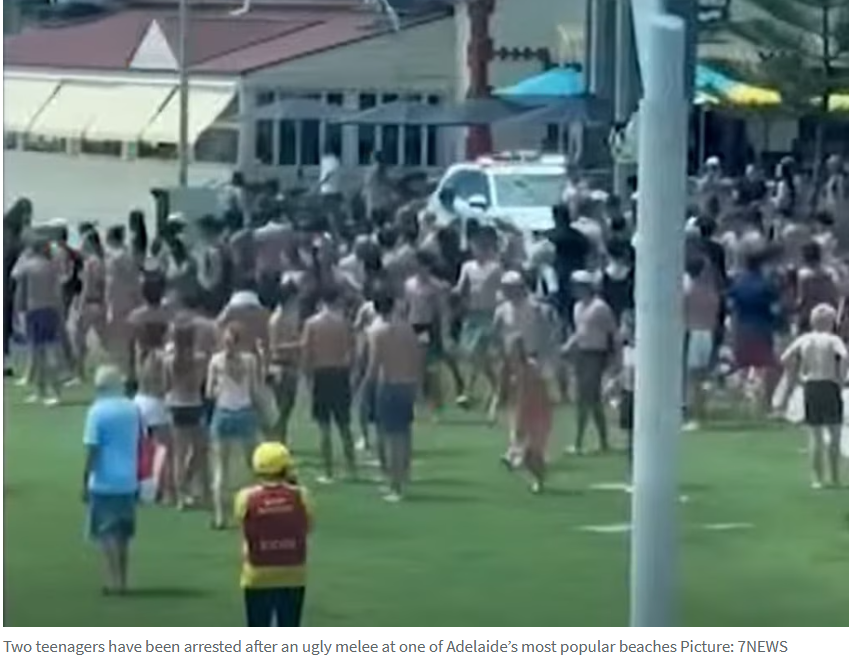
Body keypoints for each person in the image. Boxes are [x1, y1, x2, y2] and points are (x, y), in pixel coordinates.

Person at [235, 442, 312, 627]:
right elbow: (308, 526)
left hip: (256, 574)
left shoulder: (245, 496)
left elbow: (242, 525)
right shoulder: (302, 495)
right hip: (293, 573)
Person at [82, 365, 142, 595]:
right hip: (128, 480)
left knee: (106, 533)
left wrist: (85, 479)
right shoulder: (132, 409)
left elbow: (92, 449)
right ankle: (123, 580)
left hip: (104, 481)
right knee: (123, 535)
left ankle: (112, 580)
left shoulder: (97, 412)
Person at [779, 304, 847, 489]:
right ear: (831, 322)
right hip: (829, 384)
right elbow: (845, 356)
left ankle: (817, 479)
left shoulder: (805, 339)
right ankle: (834, 477)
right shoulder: (833, 340)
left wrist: (797, 375)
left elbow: (785, 358)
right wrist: (841, 378)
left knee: (815, 436)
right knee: (834, 434)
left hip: (811, 385)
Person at [364, 289, 422, 502]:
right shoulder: (407, 328)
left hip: (388, 384)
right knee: (404, 434)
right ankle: (404, 476)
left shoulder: (377, 331)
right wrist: (417, 383)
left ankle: (395, 486)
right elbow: (416, 357)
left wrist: (366, 386)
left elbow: (374, 364)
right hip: (407, 383)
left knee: (391, 437)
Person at [207, 322, 263, 529]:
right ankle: (256, 510)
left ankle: (220, 517)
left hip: (224, 413)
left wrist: (221, 389)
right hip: (245, 412)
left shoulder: (216, 361)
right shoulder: (250, 360)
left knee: (221, 468)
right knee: (252, 465)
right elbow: (255, 390)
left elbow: (209, 392)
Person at [301, 286, 357, 483]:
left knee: (324, 427)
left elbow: (306, 352)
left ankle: (328, 471)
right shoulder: (345, 323)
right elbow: (352, 351)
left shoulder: (312, 323)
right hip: (340, 373)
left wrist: (308, 377)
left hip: (321, 374)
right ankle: (352, 468)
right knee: (344, 425)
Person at [563, 270, 617, 454]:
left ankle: (581, 442)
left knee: (587, 397)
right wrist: (568, 345)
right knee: (589, 399)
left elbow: (612, 333)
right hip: (582, 353)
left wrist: (614, 359)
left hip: (596, 354)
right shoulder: (577, 307)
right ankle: (599, 441)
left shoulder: (600, 307)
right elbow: (580, 332)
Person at [453, 226, 503, 412]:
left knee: (476, 352)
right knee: (472, 355)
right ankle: (497, 386)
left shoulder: (495, 267)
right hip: (472, 314)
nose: (476, 250)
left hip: (488, 314)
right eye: (473, 247)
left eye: (479, 247)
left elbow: (501, 289)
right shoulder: (467, 267)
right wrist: (454, 295)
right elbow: (461, 287)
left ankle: (469, 391)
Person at [728, 249, 782, 414]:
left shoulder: (738, 283)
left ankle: (737, 403)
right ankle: (767, 403)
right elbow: (776, 308)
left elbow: (732, 307)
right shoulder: (767, 285)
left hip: (742, 328)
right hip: (762, 328)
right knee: (771, 367)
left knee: (741, 366)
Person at [12, 234, 63, 405]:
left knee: (37, 352)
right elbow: (57, 292)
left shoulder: (27, 267)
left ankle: (43, 391)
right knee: (50, 350)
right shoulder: (51, 266)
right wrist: (60, 312)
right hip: (50, 310)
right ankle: (51, 392)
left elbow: (20, 292)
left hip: (33, 310)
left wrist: (18, 312)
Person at [165, 317, 210, 509]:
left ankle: (181, 496)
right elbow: (199, 384)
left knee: (179, 453)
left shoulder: (169, 360)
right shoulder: (199, 359)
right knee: (200, 449)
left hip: (175, 404)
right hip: (194, 404)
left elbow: (166, 384)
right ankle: (189, 483)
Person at [507, 336, 553, 494]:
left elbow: (533, 393)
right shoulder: (518, 369)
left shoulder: (530, 368)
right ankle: (539, 479)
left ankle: (539, 479)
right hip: (529, 413)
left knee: (531, 454)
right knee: (530, 453)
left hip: (538, 413)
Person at [684, 255, 721, 430]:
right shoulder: (709, 291)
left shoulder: (689, 290)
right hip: (707, 334)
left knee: (694, 379)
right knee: (700, 377)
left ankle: (696, 415)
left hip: (694, 334)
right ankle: (699, 413)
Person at [268, 277, 304, 441]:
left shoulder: (292, 316)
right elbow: (275, 348)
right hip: (280, 367)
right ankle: (277, 439)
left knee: (287, 408)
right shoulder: (277, 319)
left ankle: (281, 438)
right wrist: (300, 345)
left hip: (292, 366)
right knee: (281, 408)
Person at [72, 230, 108, 382]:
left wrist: (80, 307)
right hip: (100, 303)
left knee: (78, 338)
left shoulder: (90, 263)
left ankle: (79, 373)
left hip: (89, 303)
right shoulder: (101, 261)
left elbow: (87, 287)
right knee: (106, 340)